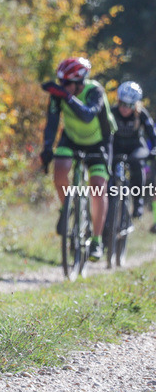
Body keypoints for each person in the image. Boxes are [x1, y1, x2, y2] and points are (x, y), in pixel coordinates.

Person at [40, 57, 116, 261]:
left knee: (98, 187)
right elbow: (52, 123)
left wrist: (67, 97)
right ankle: (67, 209)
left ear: (80, 82)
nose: (62, 86)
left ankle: (98, 241)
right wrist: (47, 148)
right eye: (60, 82)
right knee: (60, 171)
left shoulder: (95, 91)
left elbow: (88, 115)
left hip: (99, 141)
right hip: (71, 138)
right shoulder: (60, 94)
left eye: (66, 83)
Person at [111, 81, 156, 226]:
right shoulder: (112, 112)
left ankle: (138, 203)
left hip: (136, 147)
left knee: (136, 162)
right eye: (122, 104)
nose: (125, 108)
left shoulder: (141, 114)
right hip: (117, 147)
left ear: (135, 105)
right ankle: (111, 203)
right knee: (108, 165)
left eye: (129, 105)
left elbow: (151, 133)